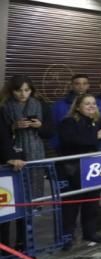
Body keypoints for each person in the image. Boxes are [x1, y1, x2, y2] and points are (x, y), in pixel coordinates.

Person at [57, 94, 101, 248]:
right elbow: (74, 140)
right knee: (71, 205)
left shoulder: (98, 121)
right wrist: (97, 135)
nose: (92, 106)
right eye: (87, 104)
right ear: (77, 107)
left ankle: (90, 231)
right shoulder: (68, 122)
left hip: (94, 168)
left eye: (94, 103)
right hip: (73, 168)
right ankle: (67, 236)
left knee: (92, 202)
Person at [0, 75, 54, 249]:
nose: (23, 94)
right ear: (11, 90)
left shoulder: (40, 105)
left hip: (35, 153)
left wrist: (39, 126)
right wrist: (13, 127)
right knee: (8, 202)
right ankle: (4, 246)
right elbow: (2, 134)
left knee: (28, 200)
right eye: (19, 90)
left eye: (27, 90)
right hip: (10, 156)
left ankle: (24, 242)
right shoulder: (4, 107)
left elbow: (50, 132)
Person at [50, 74, 101, 150]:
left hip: (95, 148)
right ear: (71, 86)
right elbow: (54, 127)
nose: (81, 87)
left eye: (84, 83)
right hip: (69, 150)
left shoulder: (99, 103)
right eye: (77, 83)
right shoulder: (59, 105)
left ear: (88, 85)